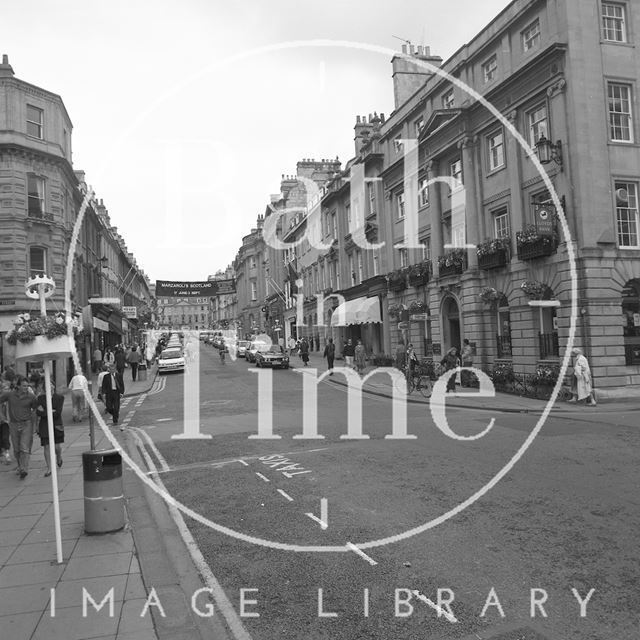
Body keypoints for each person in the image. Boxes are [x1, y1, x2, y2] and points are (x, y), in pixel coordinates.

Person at [0, 376, 38, 478]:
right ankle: (20, 466)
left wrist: (35, 425)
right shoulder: (10, 395)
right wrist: (2, 415)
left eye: (27, 386)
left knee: (24, 448)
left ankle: (24, 469)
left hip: (27, 424)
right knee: (16, 449)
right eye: (24, 386)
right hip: (13, 424)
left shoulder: (31, 396)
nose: (26, 387)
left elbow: (35, 410)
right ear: (18, 386)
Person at [36, 379, 64, 477]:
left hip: (56, 424)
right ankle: (49, 468)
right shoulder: (40, 398)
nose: (50, 387)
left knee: (57, 447)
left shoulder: (60, 398)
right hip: (44, 425)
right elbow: (38, 412)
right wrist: (50, 411)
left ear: (54, 386)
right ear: (44, 388)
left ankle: (59, 457)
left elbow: (57, 413)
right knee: (46, 446)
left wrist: (45, 411)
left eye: (51, 385)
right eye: (48, 385)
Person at [102, 364, 125, 429]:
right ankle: (115, 414)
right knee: (108, 407)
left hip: (116, 393)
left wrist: (122, 392)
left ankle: (115, 421)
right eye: (110, 369)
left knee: (116, 407)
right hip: (109, 393)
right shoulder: (106, 376)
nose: (112, 371)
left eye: (113, 369)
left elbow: (122, 384)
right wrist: (103, 393)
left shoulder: (119, 375)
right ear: (109, 370)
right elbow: (104, 385)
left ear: (115, 369)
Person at [0, 379, 11, 464]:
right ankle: (3, 453)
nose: (6, 390)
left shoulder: (9, 400)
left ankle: (7, 454)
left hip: (5, 422)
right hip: (2, 420)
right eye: (4, 388)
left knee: (5, 437)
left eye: (7, 388)